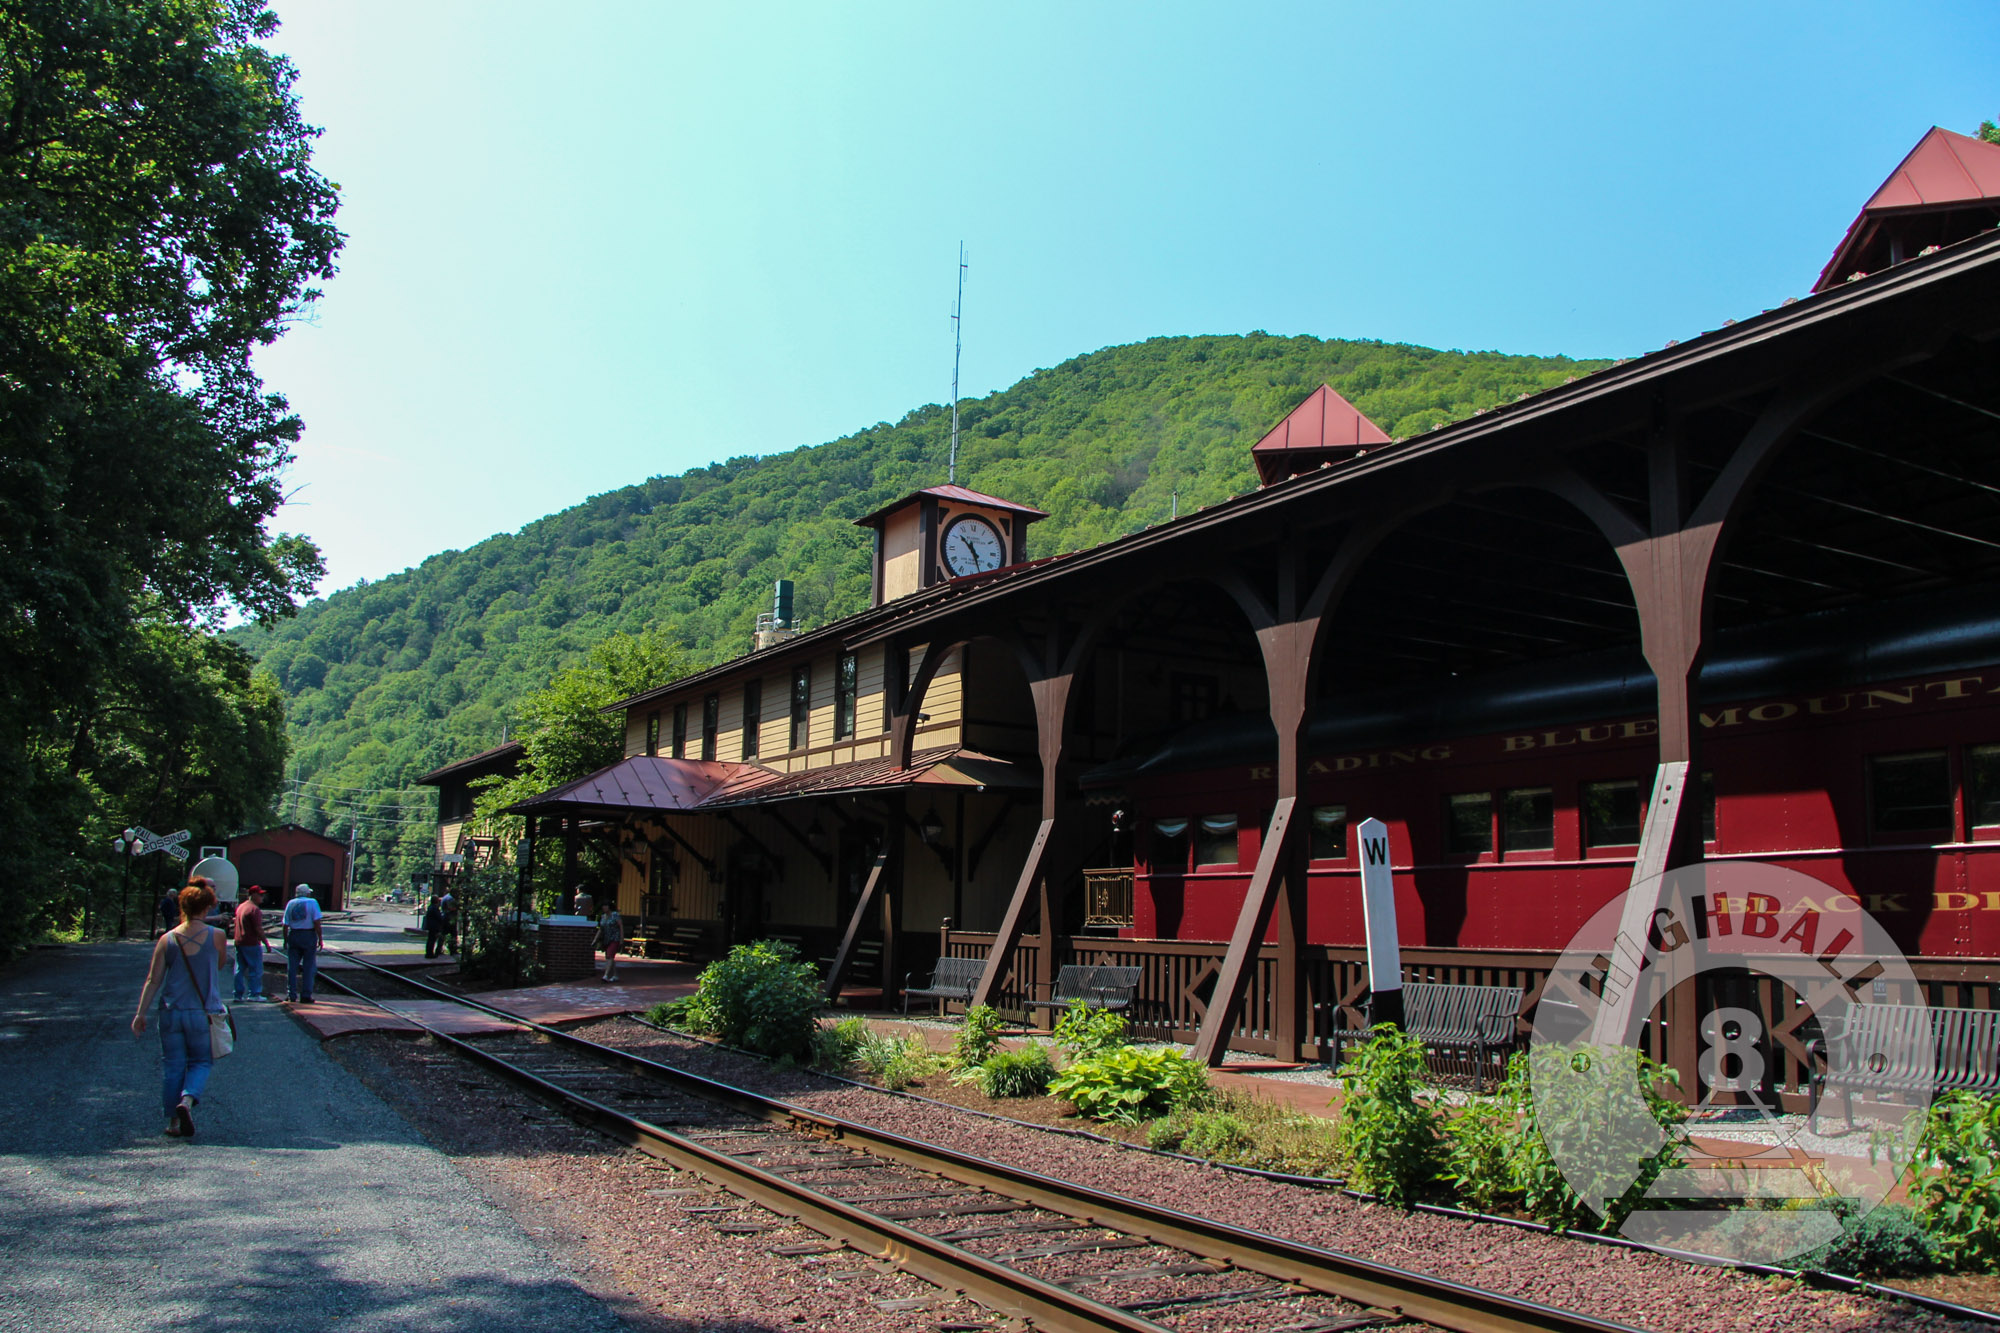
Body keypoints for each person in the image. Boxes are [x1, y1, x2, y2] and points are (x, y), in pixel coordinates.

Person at [132, 879, 228, 1138]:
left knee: (173, 1065)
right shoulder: (217, 936)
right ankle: (187, 1100)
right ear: (207, 907)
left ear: (182, 906)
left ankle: (172, 1123)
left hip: (170, 1010)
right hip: (202, 1012)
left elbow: (154, 979)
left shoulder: (167, 939)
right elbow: (219, 965)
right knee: (201, 1061)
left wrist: (141, 1013)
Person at [281, 884, 324, 1004]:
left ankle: (291, 994)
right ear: (307, 893)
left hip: (294, 934)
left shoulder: (290, 903)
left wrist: (285, 939)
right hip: (308, 935)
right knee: (309, 967)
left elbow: (285, 925)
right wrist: (320, 938)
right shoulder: (313, 902)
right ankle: (306, 995)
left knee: (292, 967)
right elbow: (317, 922)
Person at [233, 886, 270, 1002]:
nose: (262, 897)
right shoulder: (254, 909)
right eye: (260, 895)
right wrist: (266, 943)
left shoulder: (241, 907)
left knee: (239, 969)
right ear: (253, 895)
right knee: (255, 969)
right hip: (251, 943)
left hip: (239, 941)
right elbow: (258, 928)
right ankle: (254, 994)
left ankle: (237, 994)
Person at [595, 901, 623, 983]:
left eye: (606, 906)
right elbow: (601, 929)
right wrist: (595, 939)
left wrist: (621, 937)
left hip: (615, 938)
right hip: (607, 939)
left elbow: (620, 926)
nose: (604, 908)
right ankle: (615, 975)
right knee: (609, 957)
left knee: (610, 955)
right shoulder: (603, 917)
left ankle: (606, 975)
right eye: (603, 906)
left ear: (609, 907)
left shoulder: (615, 915)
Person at [422, 891, 448, 959]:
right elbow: (438, 917)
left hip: (431, 926)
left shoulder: (430, 907)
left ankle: (429, 953)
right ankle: (430, 954)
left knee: (430, 940)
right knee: (432, 940)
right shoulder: (434, 908)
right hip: (434, 926)